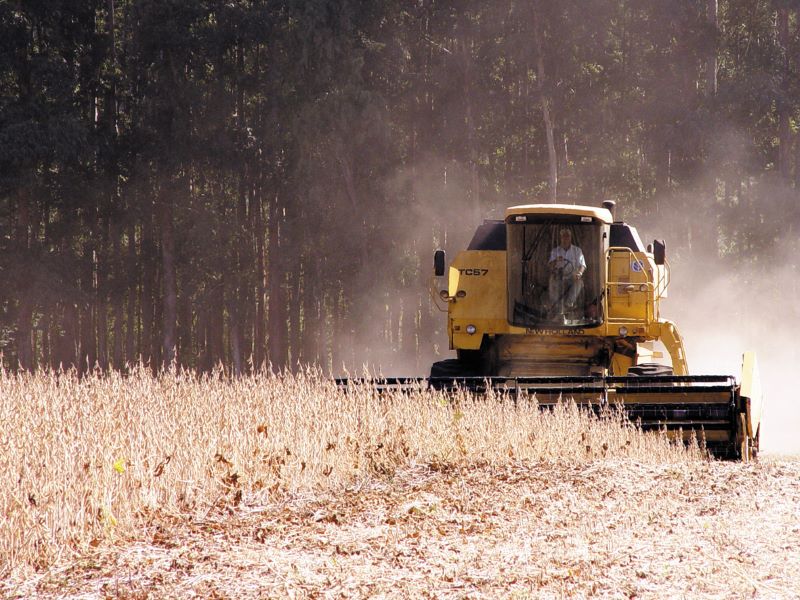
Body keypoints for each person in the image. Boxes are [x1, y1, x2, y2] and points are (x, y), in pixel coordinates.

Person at [548, 229, 586, 309]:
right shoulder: (555, 251)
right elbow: (550, 265)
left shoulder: (577, 250)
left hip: (572, 277)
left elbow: (582, 265)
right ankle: (555, 305)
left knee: (579, 282)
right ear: (560, 238)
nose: (565, 238)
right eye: (563, 236)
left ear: (570, 238)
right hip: (559, 277)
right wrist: (556, 260)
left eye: (567, 236)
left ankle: (569, 304)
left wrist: (579, 273)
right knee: (552, 280)